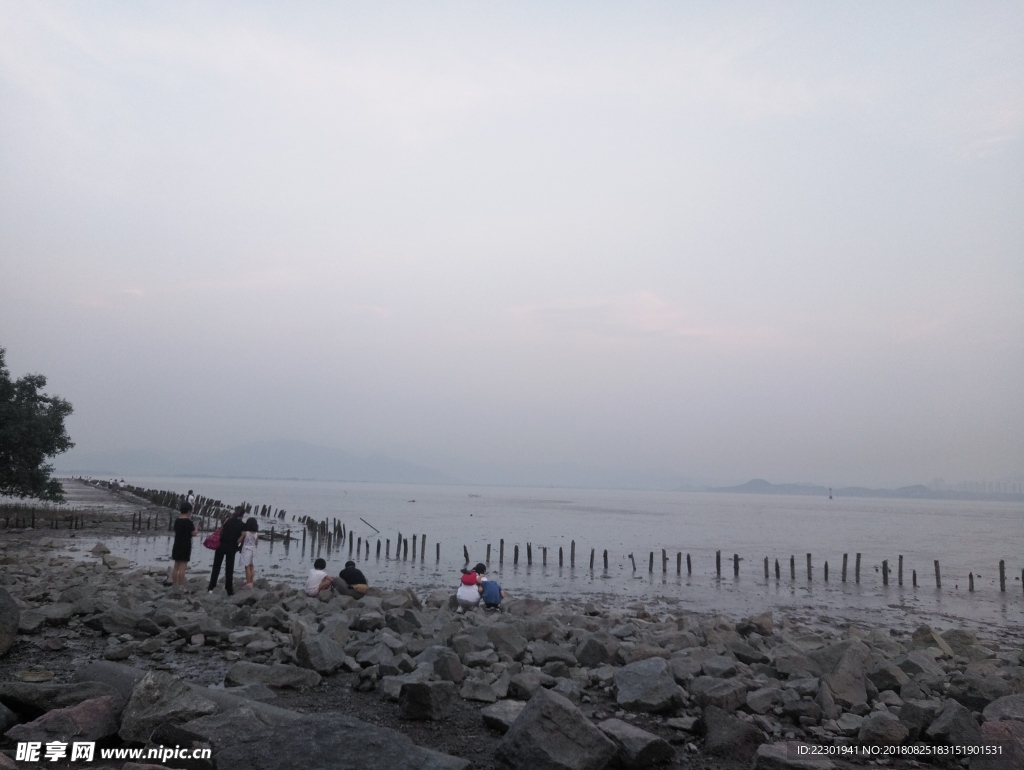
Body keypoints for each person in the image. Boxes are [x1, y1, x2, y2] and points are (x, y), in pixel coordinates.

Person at [208, 507, 245, 596]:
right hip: (231, 548)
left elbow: (222, 531)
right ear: (243, 515)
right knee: (229, 569)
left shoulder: (227, 520)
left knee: (216, 567)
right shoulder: (242, 525)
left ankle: (211, 587)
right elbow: (241, 539)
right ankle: (229, 589)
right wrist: (240, 548)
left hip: (221, 545)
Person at [169, 502, 197, 588]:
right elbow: (194, 533)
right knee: (182, 567)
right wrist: (196, 527)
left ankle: (174, 584)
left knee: (176, 566)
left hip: (177, 544)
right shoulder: (189, 522)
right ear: (188, 511)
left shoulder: (177, 520)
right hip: (185, 545)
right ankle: (181, 586)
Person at [240, 518, 259, 588]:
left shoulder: (245, 533)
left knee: (247, 567)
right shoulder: (256, 534)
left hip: (246, 550)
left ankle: (248, 583)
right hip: (253, 550)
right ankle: (251, 582)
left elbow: (239, 540)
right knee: (252, 566)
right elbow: (257, 543)